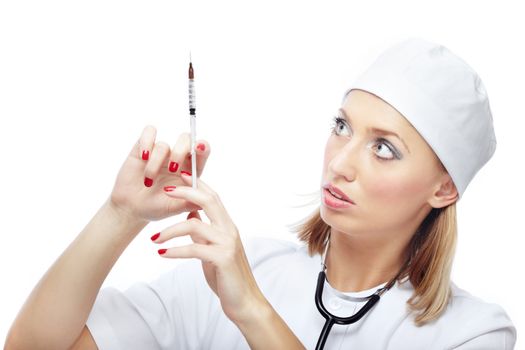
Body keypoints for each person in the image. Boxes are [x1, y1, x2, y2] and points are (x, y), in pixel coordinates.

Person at [5, 37, 516, 350]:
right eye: (342, 126)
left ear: (444, 187)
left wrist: (251, 309)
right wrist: (119, 215)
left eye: (384, 149)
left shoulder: (473, 335)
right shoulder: (233, 274)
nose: (339, 162)